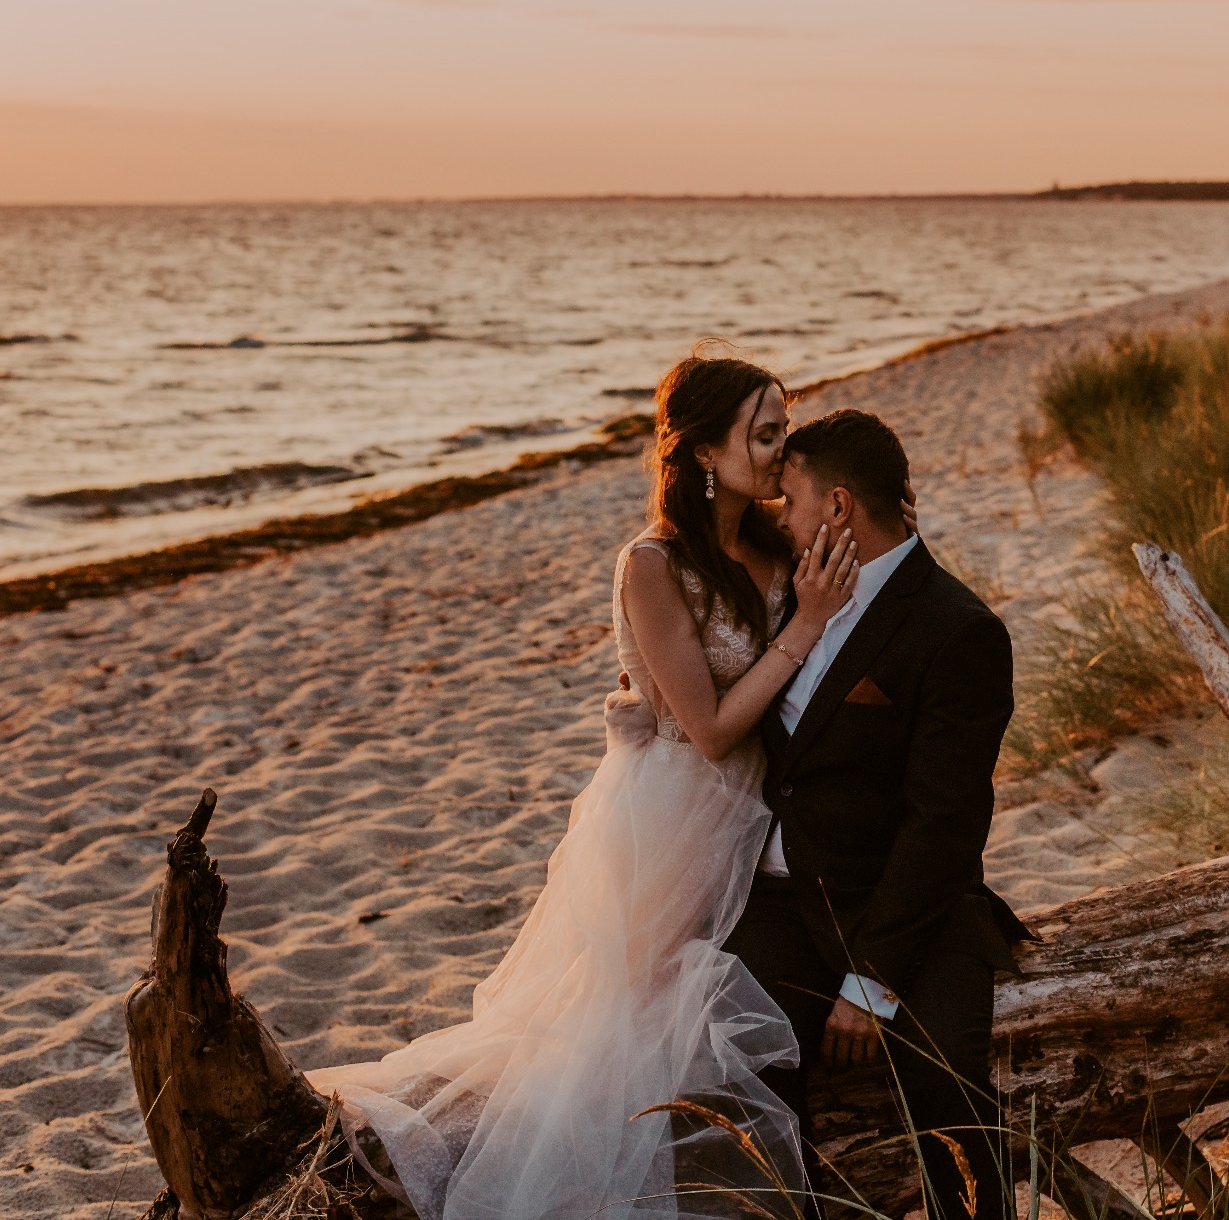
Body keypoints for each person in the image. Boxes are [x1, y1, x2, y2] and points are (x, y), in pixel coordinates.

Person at [309, 352, 862, 1220]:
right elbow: (712, 729)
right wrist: (807, 627)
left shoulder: (773, 544)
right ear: (705, 451)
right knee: (620, 1031)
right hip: (677, 815)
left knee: (706, 1007)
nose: (780, 451)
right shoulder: (652, 565)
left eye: (783, 431)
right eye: (764, 435)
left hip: (762, 807)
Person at [725, 408, 1030, 1220]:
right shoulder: (791, 595)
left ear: (838, 506)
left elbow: (945, 822)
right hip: (788, 902)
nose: (780, 519)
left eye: (791, 501)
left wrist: (872, 979)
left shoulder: (958, 630)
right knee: (736, 1061)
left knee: (946, 1086)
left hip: (909, 908)